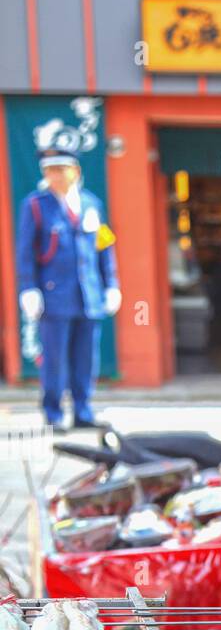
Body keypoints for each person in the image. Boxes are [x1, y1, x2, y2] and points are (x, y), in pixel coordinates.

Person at [16, 147, 121, 430]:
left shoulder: (91, 204)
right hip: (54, 295)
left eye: (60, 170)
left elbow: (104, 248)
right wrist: (29, 288)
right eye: (49, 171)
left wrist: (111, 284)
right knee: (55, 359)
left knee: (86, 359)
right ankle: (53, 413)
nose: (54, 176)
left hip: (89, 295)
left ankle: (83, 411)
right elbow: (25, 250)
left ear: (75, 171)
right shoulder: (36, 206)